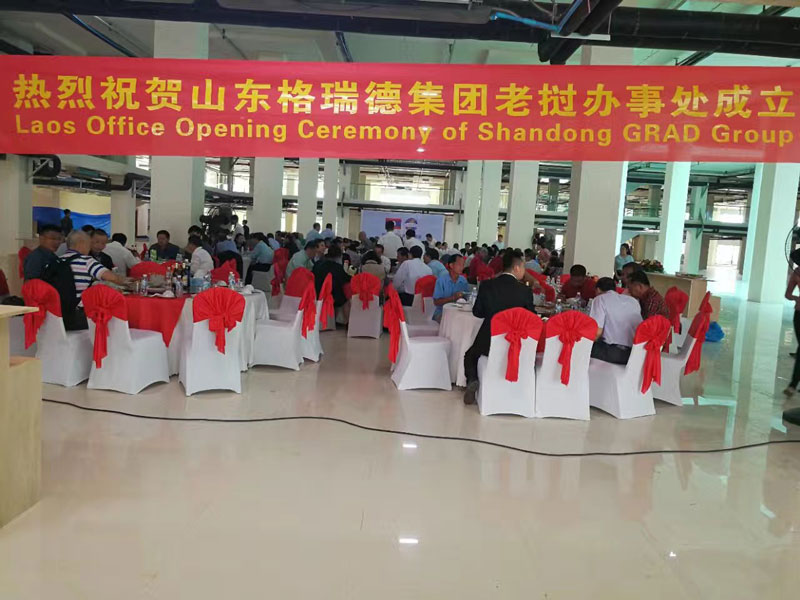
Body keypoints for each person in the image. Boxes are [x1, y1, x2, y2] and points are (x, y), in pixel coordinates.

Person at [463, 250, 535, 405]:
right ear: (516, 268)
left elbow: (477, 312)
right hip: (516, 343)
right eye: (523, 268)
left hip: (489, 341)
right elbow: (531, 318)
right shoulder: (525, 291)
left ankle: (472, 380)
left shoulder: (487, 285)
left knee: (470, 355)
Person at [61, 230, 127, 330]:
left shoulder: (56, 260)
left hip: (55, 317)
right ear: (82, 243)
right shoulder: (86, 261)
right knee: (112, 316)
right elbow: (114, 278)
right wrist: (130, 282)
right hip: (77, 317)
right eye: (89, 244)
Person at [589, 277, 643, 365]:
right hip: (633, 354)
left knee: (578, 346)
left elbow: (597, 333)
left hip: (612, 352)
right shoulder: (633, 301)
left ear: (598, 290)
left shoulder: (600, 299)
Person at [313, 245, 352, 323]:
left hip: (316, 293)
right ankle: (346, 322)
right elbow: (346, 279)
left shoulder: (317, 264)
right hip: (331, 295)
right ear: (339, 256)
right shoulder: (338, 267)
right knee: (345, 298)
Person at [433, 254, 471, 320]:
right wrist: (453, 298)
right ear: (451, 265)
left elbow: (467, 297)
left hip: (459, 312)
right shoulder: (441, 281)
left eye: (463, 265)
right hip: (442, 312)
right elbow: (436, 302)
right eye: (459, 264)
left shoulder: (463, 280)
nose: (462, 267)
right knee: (450, 320)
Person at [784, 249, 800, 395]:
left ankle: (793, 385)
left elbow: (788, 295)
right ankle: (793, 385)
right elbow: (788, 294)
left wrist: (796, 298)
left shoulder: (797, 273)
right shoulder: (797, 273)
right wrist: (796, 298)